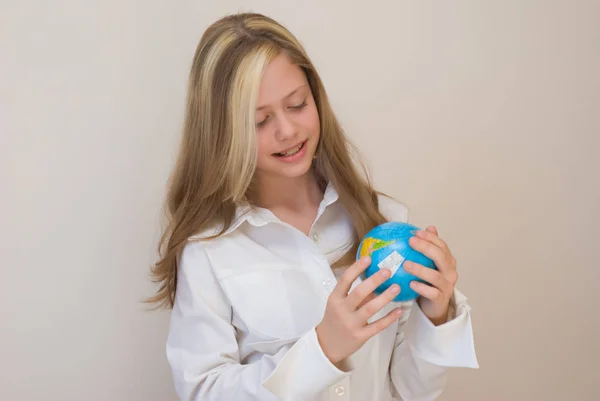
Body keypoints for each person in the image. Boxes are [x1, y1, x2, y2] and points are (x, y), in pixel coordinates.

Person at [148, 12, 478, 401]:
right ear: (224, 134)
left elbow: (411, 392)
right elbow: (203, 391)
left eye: (297, 104)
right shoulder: (208, 250)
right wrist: (323, 349)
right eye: (260, 120)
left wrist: (436, 316)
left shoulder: (383, 221)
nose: (287, 131)